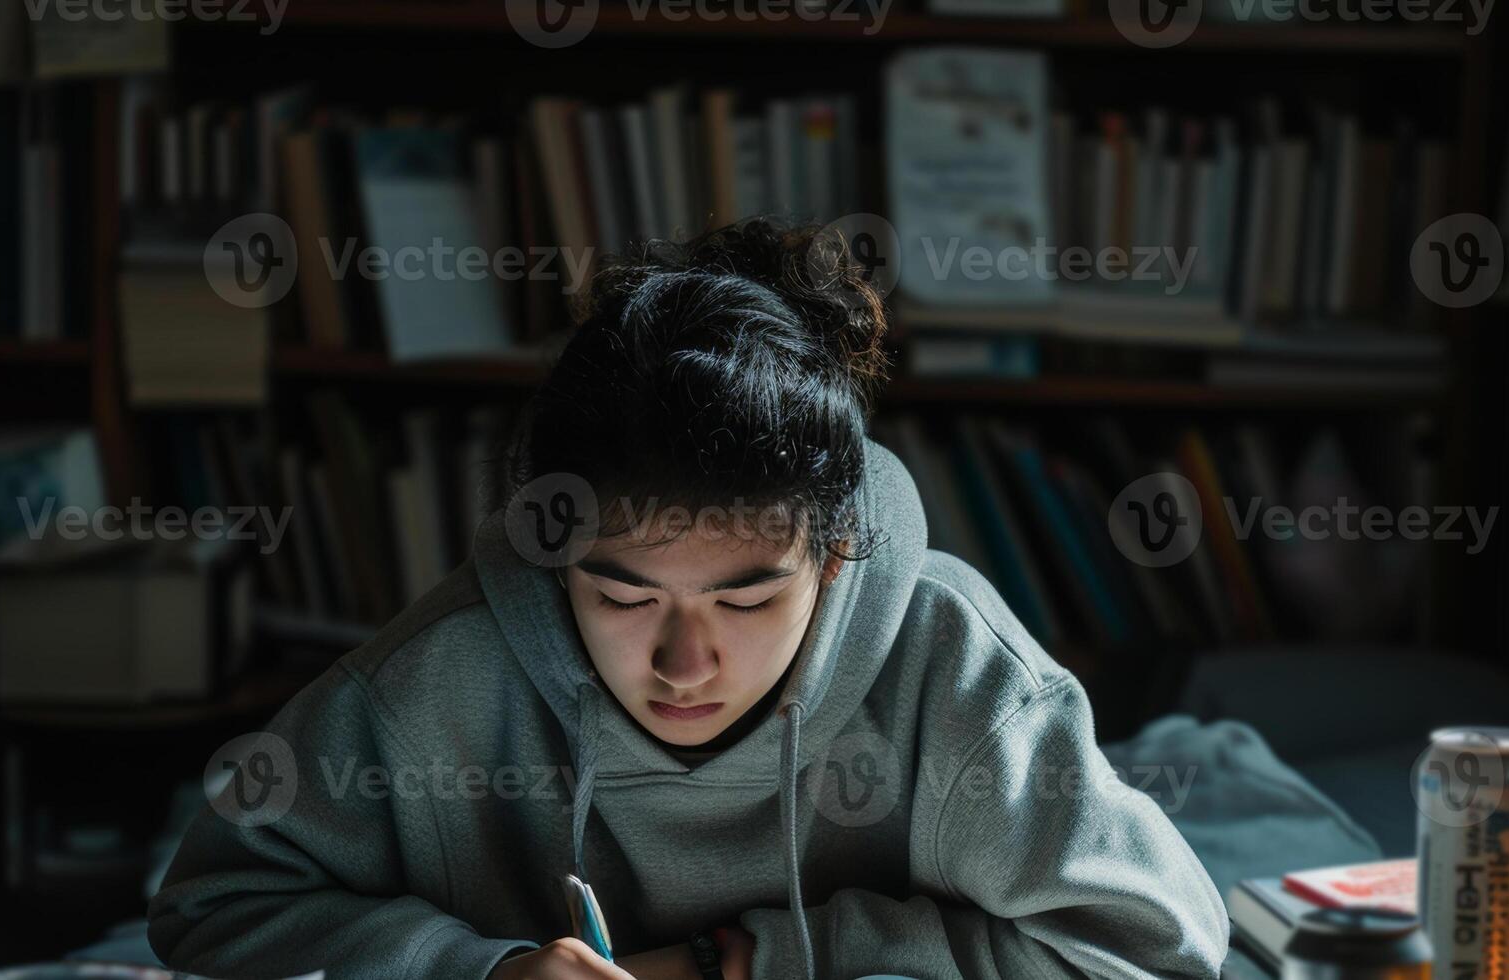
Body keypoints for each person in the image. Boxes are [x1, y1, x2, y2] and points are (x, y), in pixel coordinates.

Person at [147, 218, 1228, 979]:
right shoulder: (434, 680)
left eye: (747, 599)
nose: (683, 662)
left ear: (836, 556)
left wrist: (747, 961)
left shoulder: (950, 670)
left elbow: (1156, 945)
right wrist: (475, 970)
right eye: (622, 592)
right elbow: (210, 905)